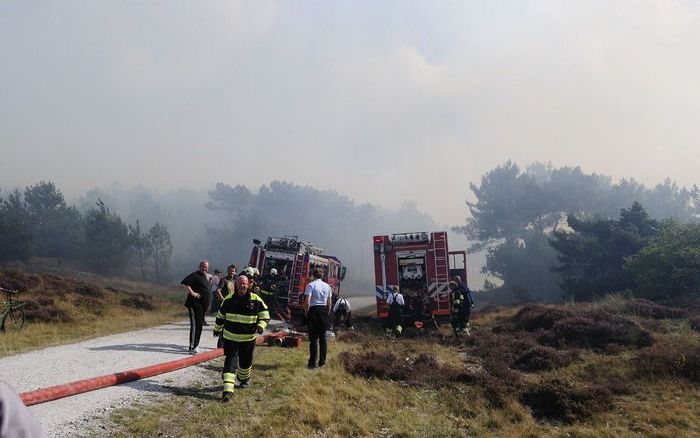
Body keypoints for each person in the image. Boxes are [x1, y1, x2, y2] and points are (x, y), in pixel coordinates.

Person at [213, 275, 270, 402]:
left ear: (248, 284)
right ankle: (227, 391)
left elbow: (265, 315)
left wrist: (261, 326)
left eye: (244, 284)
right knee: (230, 362)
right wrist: (217, 329)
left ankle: (243, 379)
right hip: (230, 339)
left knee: (245, 362)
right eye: (240, 284)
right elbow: (220, 316)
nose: (242, 286)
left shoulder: (256, 299)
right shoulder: (228, 299)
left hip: (248, 339)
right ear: (236, 285)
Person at [181, 260, 211, 354]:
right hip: (194, 304)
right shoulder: (195, 275)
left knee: (200, 325)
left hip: (202, 306)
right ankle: (192, 347)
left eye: (206, 267)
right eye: (203, 266)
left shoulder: (205, 277)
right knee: (195, 325)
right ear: (199, 266)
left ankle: (196, 345)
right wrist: (192, 293)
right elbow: (185, 283)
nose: (204, 268)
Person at [304, 268, 332, 369]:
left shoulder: (311, 285)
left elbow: (307, 301)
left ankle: (312, 363)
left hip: (314, 310)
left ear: (313, 275)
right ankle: (322, 362)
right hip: (324, 310)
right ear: (323, 276)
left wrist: (306, 313)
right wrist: (327, 313)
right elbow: (329, 302)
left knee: (314, 339)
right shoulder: (327, 286)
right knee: (323, 338)